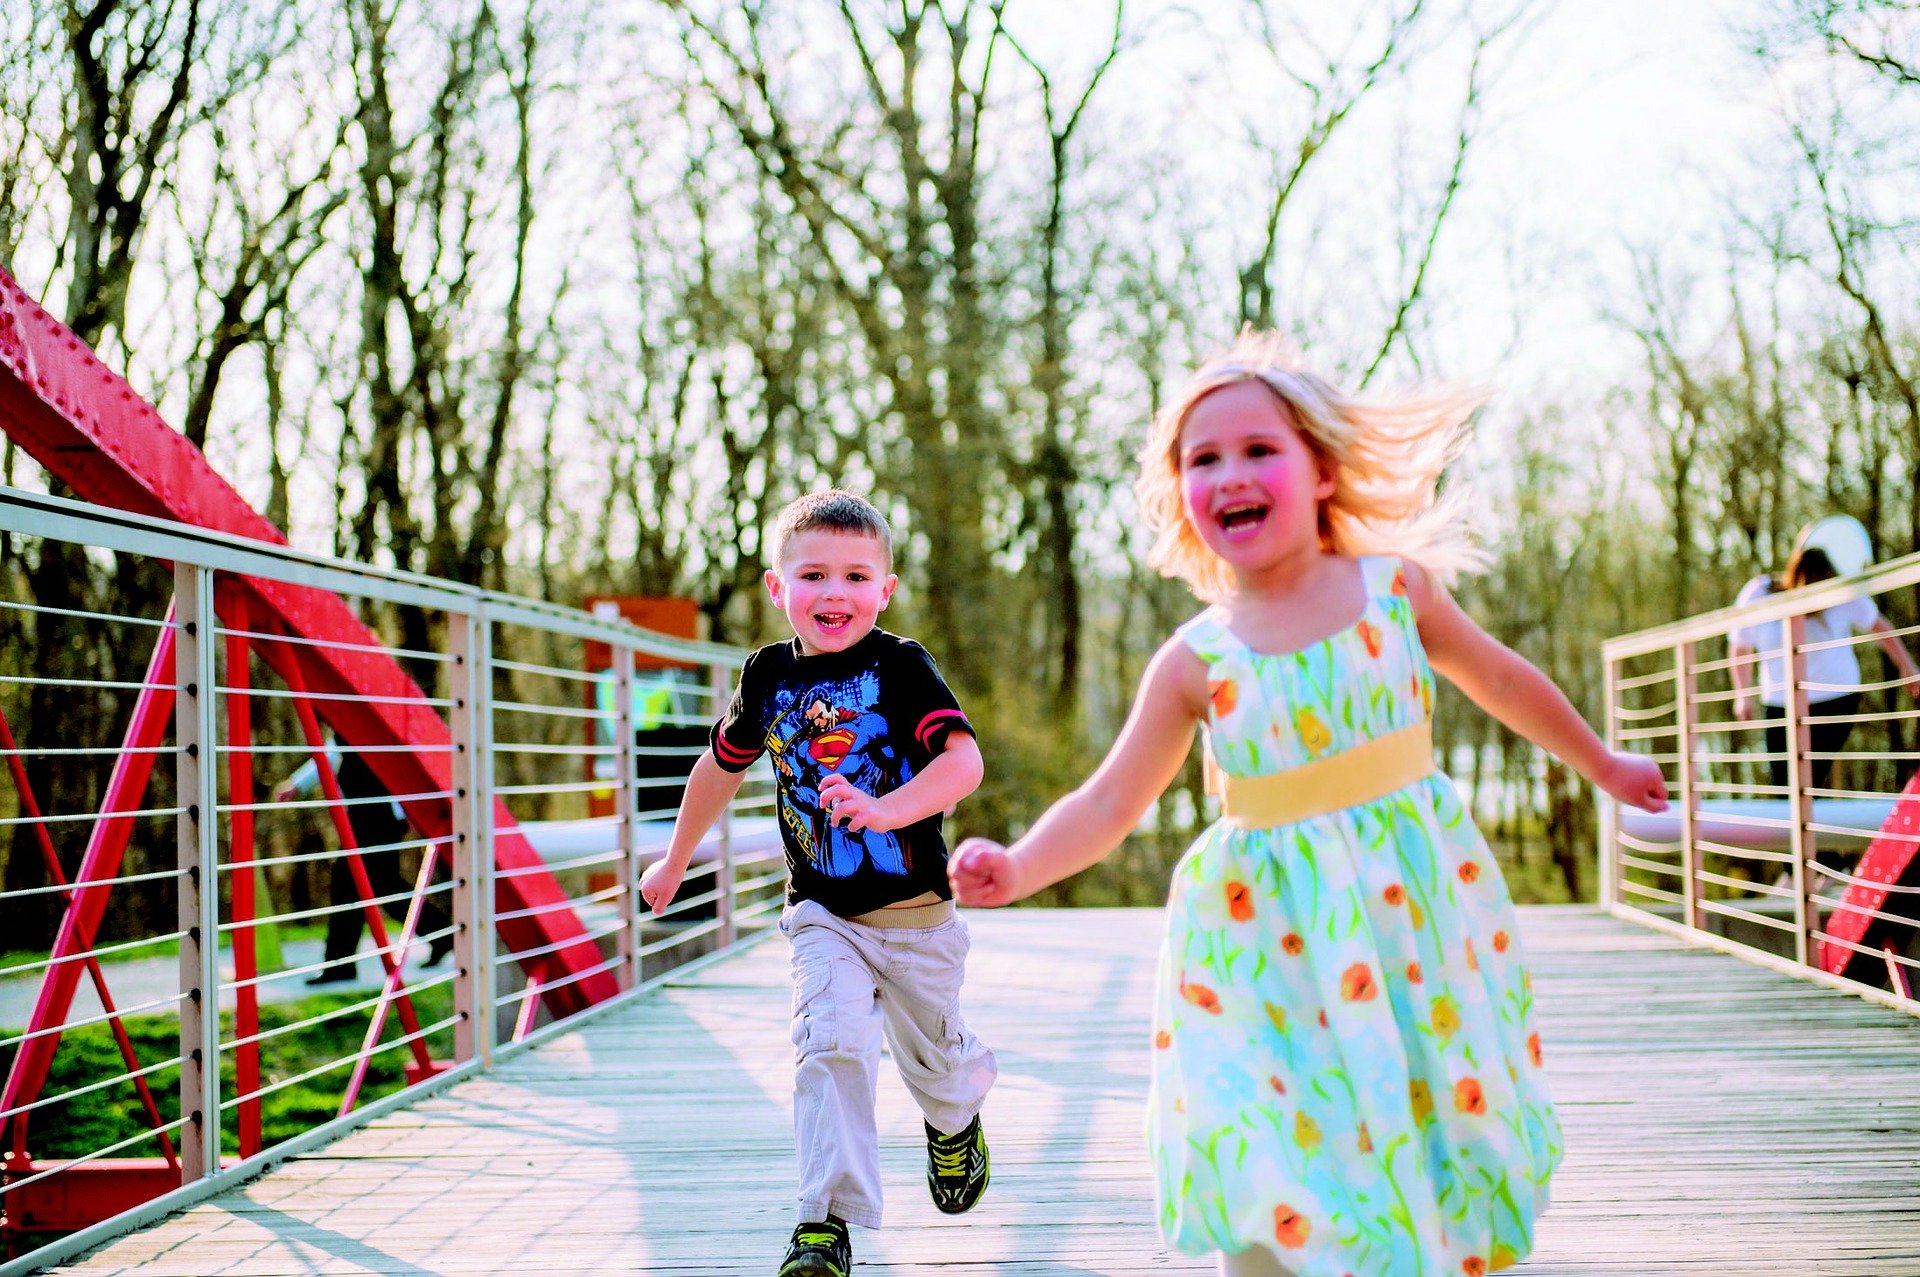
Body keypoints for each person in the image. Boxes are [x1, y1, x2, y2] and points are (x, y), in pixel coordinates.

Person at [948, 332, 1668, 1277]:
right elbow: (1112, 798)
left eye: (1258, 450)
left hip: (1408, 917)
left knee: (1425, 1098)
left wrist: (1602, 763)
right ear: (1182, 498)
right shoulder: (1195, 660)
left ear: (1321, 471)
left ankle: (1433, 1245)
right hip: (1259, 938)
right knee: (1267, 1122)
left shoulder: (1394, 591)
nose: (1230, 473)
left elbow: (1500, 678)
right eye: (1202, 460)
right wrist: (1023, 864)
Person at [639, 490, 994, 1277]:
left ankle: (953, 1122)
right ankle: (824, 1223)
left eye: (856, 576)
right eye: (814, 575)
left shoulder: (900, 666)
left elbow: (963, 763)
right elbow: (718, 769)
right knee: (828, 1046)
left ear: (886, 589)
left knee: (937, 1063)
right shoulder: (766, 675)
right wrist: (675, 859)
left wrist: (884, 807)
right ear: (778, 587)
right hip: (823, 913)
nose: (835, 593)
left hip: (916, 917)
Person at [1730, 545, 1920, 790]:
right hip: (1780, 704)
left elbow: (1879, 626)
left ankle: (1810, 821)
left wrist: (1908, 667)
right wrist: (1742, 695)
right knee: (1783, 784)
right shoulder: (1758, 593)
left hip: (1835, 700)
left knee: (1808, 779)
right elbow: (1740, 646)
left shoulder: (1840, 592)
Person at [273, 744, 452, 985]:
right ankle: (441, 935)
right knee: (378, 886)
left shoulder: (369, 734)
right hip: (363, 821)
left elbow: (399, 763)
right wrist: (298, 783)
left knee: (358, 884)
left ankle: (341, 964)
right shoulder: (343, 736)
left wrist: (407, 809)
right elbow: (328, 753)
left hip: (381, 820)